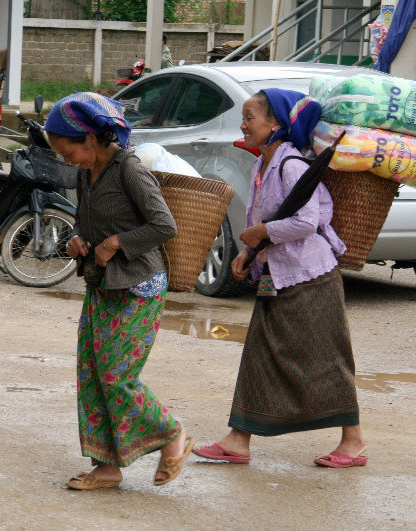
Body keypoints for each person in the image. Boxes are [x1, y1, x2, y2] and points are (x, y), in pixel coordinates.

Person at [193, 89, 368, 468]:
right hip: (278, 276)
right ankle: (238, 439)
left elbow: (306, 222)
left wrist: (262, 234)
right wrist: (246, 251)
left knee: (325, 358)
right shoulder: (262, 166)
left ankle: (353, 441)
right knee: (259, 355)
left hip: (312, 278)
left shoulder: (292, 166)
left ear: (277, 124)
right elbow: (261, 223)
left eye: (250, 116)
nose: (244, 124)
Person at [44, 92, 193, 490]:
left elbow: (164, 226)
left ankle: (171, 433)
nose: (65, 159)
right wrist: (75, 239)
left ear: (90, 139)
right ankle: (107, 466)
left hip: (139, 287)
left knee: (116, 374)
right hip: (101, 284)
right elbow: (83, 222)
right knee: (92, 374)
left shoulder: (130, 169)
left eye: (67, 150)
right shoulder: (83, 173)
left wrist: (117, 243)